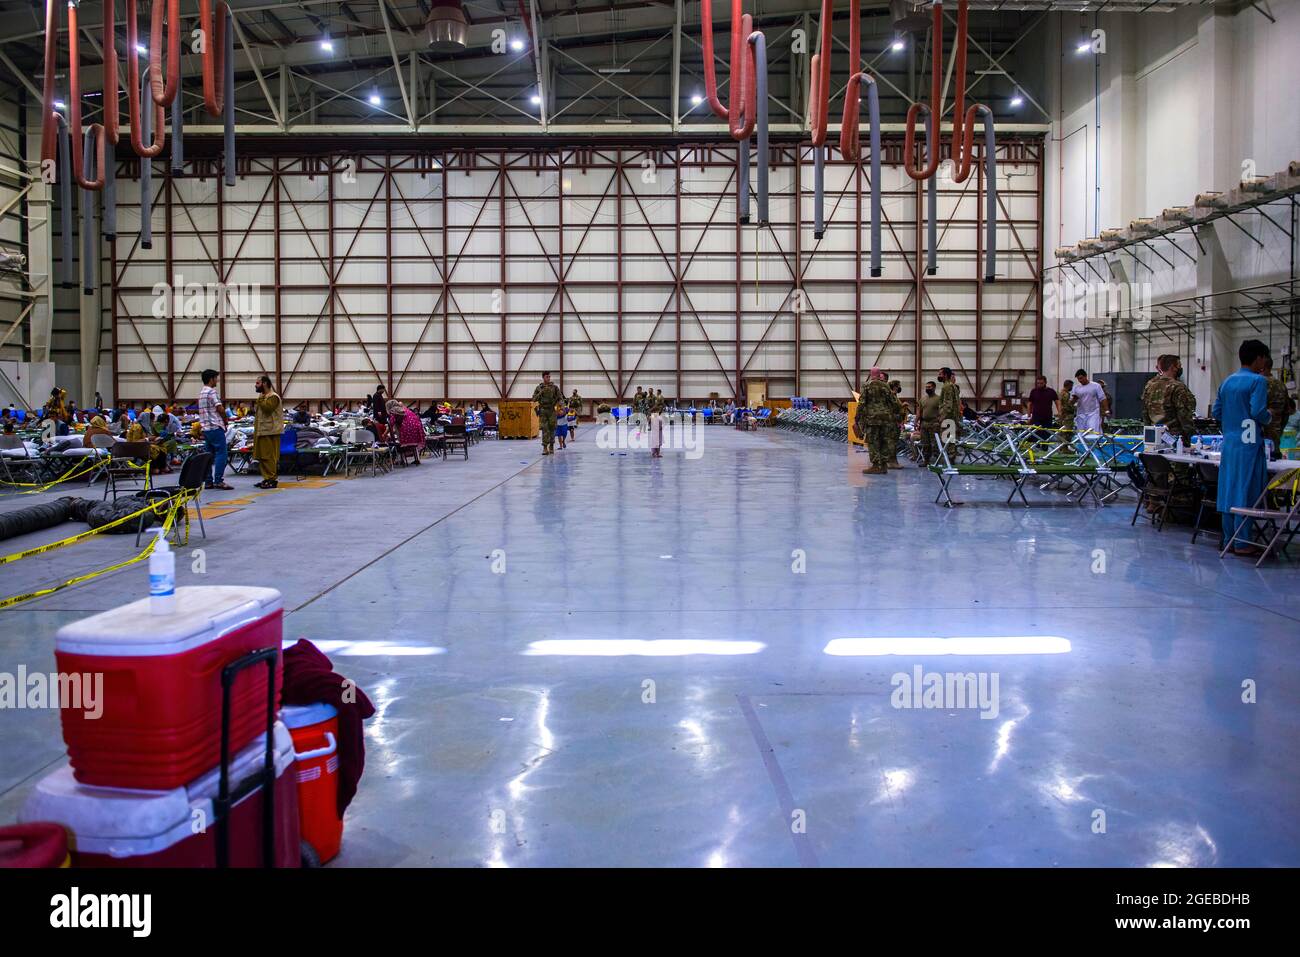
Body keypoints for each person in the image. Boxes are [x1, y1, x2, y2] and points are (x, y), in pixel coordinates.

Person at [1213, 340, 1273, 555]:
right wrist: (1269, 417)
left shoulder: (1227, 382)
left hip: (1229, 444)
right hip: (1249, 445)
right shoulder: (1258, 381)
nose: (1264, 363)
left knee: (1228, 490)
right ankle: (1243, 542)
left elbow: (1216, 413)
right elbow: (1258, 411)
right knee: (1246, 491)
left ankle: (1229, 538)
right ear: (1258, 358)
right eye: (1264, 358)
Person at [1140, 355, 1197, 446]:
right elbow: (1184, 415)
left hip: (1154, 435)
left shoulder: (1150, 385)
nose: (1180, 368)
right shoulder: (1177, 387)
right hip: (1174, 438)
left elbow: (1145, 411)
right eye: (1179, 365)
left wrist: (1149, 431)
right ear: (1172, 368)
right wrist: (1188, 435)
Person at [856, 368, 901, 474]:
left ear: (871, 374)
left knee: (873, 441)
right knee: (885, 440)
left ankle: (876, 465)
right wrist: (893, 414)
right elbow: (894, 402)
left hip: (872, 419)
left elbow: (862, 403)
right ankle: (884, 465)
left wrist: (857, 417)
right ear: (879, 374)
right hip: (886, 419)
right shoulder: (886, 386)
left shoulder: (867, 386)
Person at [198, 369, 234, 490]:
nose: (217, 380)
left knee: (209, 455)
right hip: (215, 426)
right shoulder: (211, 392)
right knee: (221, 454)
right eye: (216, 378)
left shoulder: (202, 392)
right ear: (211, 379)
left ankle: (208, 481)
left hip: (206, 429)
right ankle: (218, 480)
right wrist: (225, 420)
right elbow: (220, 408)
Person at [252, 374, 283, 488]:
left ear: (264, 383)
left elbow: (267, 409)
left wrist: (260, 400)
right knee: (261, 456)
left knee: (269, 456)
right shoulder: (263, 397)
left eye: (258, 383)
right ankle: (266, 478)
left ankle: (272, 479)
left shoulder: (273, 397)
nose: (255, 385)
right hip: (261, 431)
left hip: (270, 432)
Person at [1262, 357, 1294, 459]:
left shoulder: (1259, 383)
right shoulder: (1281, 385)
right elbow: (1286, 414)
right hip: (1275, 438)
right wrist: (1278, 429)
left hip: (1259, 440)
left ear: (1262, 367)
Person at [532, 371, 563, 455]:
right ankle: (545, 448)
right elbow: (534, 399)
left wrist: (560, 407)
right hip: (542, 410)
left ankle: (551, 446)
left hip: (552, 410)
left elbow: (560, 398)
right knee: (544, 429)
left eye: (549, 377)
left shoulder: (554, 387)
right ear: (543, 377)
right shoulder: (539, 388)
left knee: (552, 428)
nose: (548, 378)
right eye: (546, 377)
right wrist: (541, 392)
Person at [1072, 369, 1107, 433]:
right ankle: (1082, 443)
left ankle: (1095, 442)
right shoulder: (1076, 388)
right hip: (1081, 414)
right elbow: (1071, 402)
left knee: (1093, 432)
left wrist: (1106, 410)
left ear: (1086, 376)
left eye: (1081, 378)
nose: (1080, 380)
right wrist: (1073, 400)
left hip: (1093, 413)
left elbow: (1102, 398)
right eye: (1078, 379)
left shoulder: (1096, 386)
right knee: (1081, 433)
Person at [917, 380, 943, 465]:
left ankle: (938, 460)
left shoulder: (939, 399)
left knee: (935, 443)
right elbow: (919, 411)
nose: (927, 388)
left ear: (934, 387)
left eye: (929, 387)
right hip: (924, 424)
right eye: (926, 387)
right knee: (925, 444)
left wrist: (939, 421)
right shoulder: (923, 399)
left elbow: (942, 411)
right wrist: (916, 421)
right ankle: (926, 460)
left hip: (934, 423)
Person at [937, 367, 961, 457]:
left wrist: (942, 417)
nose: (938, 376)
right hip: (953, 417)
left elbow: (948, 404)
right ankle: (951, 459)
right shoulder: (952, 386)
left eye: (940, 374)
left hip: (948, 417)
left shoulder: (947, 386)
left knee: (946, 440)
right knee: (951, 440)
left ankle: (947, 460)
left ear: (945, 375)